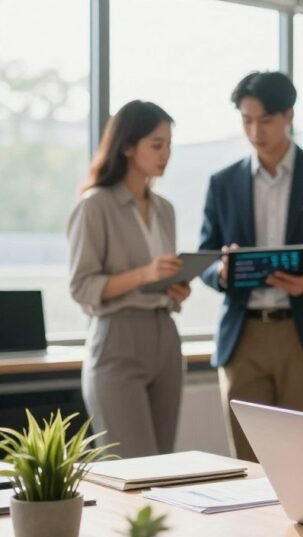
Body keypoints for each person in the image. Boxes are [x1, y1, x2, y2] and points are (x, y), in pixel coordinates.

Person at [199, 71, 303, 462]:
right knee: (247, 459)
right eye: (246, 120)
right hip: (243, 337)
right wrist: (220, 272)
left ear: (288, 114)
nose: (255, 131)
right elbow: (205, 256)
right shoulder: (222, 183)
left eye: (266, 120)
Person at [67, 100, 188, 457]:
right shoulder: (95, 206)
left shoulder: (166, 210)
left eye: (169, 145)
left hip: (165, 335)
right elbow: (81, 286)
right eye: (156, 144)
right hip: (117, 339)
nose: (165, 154)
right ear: (127, 146)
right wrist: (145, 274)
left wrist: (174, 287)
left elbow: (159, 278)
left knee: (163, 465)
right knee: (132, 465)